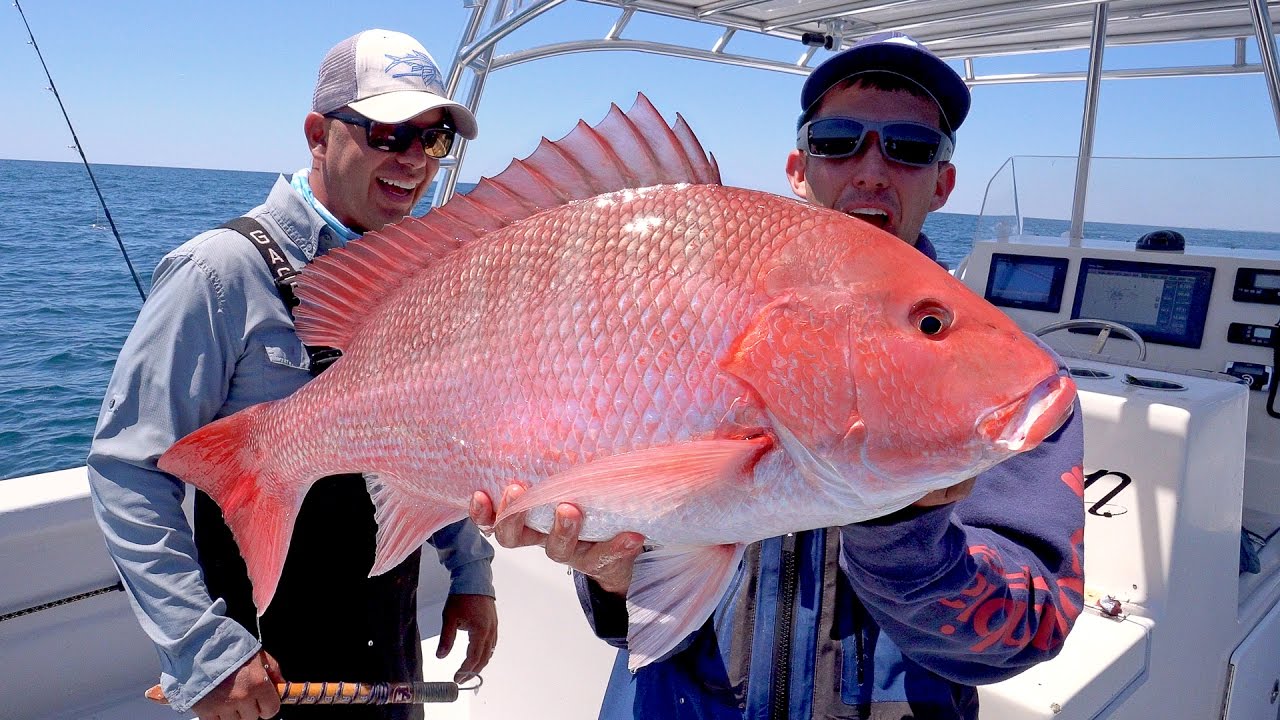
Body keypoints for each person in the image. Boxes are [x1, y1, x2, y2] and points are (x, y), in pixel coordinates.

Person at [470, 31, 1086, 720]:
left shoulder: (1007, 386)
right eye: (838, 140)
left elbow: (1031, 631)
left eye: (910, 148)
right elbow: (637, 600)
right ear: (799, 166)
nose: (872, 170)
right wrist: (614, 572)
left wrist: (906, 526)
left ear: (943, 182)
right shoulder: (682, 299)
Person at [88, 29, 497, 720]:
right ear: (318, 135)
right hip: (264, 678)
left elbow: (433, 447)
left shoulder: (421, 284)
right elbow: (126, 468)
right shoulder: (218, 271)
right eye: (388, 132)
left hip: (391, 661)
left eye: (432, 141)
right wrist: (205, 652)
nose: (412, 161)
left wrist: (471, 573)